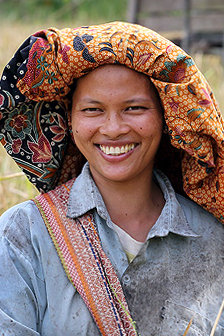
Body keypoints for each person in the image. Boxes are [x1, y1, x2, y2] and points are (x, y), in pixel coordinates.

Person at [0, 21, 224, 336]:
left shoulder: (214, 241)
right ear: (70, 120)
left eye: (134, 108)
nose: (113, 128)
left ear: (166, 120)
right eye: (93, 110)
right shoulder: (23, 236)